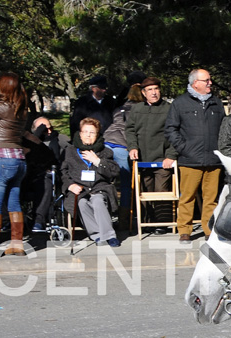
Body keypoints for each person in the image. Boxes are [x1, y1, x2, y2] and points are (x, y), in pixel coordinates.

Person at [165, 68, 225, 243]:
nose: (210, 83)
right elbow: (170, 129)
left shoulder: (216, 103)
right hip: (189, 159)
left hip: (213, 160)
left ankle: (209, 229)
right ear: (195, 83)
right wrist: (184, 148)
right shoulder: (180, 103)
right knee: (187, 197)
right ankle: (185, 230)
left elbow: (224, 127)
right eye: (206, 80)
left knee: (211, 198)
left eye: (209, 80)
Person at [127, 77, 178, 234]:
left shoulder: (169, 108)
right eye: (150, 90)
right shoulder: (136, 110)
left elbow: (175, 133)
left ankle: (162, 224)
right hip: (142, 158)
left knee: (161, 191)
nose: (154, 93)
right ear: (143, 92)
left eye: (156, 89)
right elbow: (129, 130)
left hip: (163, 158)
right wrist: (132, 147)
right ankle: (147, 222)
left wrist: (171, 155)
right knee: (145, 190)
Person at [0, 72, 31, 256]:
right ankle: (17, 244)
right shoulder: (19, 107)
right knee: (14, 203)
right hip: (18, 160)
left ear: (5, 88)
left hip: (0, 159)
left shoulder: (3, 107)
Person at [61, 118, 120, 247]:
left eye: (92, 132)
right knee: (81, 202)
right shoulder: (70, 151)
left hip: (99, 187)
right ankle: (97, 235)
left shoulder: (105, 151)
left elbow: (114, 171)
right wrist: (70, 185)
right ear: (80, 134)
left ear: (97, 135)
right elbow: (63, 172)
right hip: (79, 188)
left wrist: (97, 161)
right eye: (85, 132)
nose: (88, 135)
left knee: (98, 200)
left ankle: (110, 236)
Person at [103, 82, 143, 229]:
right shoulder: (139, 110)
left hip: (107, 143)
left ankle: (106, 214)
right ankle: (124, 219)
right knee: (126, 184)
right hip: (121, 146)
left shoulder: (119, 108)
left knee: (106, 181)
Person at [24, 117, 69, 233]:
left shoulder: (60, 140)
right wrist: (37, 136)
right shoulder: (28, 142)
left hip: (48, 175)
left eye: (50, 128)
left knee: (46, 182)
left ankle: (39, 220)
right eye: (43, 129)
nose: (48, 132)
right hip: (28, 175)